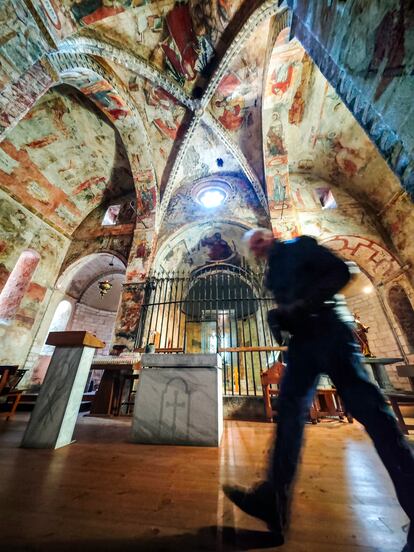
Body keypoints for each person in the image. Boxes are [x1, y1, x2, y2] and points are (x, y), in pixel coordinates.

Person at [223, 228, 414, 551]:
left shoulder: (300, 247)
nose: (255, 250)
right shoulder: (273, 271)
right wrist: (281, 316)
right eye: (251, 249)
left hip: (331, 334)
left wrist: (303, 304)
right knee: (288, 416)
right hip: (304, 345)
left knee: (373, 414)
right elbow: (290, 305)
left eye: (257, 242)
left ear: (269, 237)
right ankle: (274, 501)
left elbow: (341, 272)